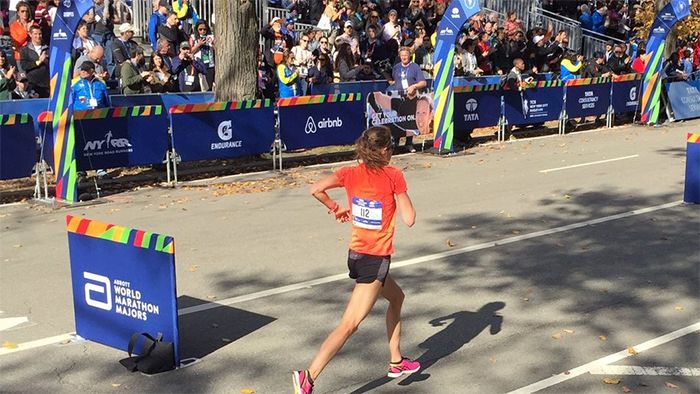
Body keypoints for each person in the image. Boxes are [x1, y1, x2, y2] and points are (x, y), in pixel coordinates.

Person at [293, 125, 419, 394]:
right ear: (384, 150)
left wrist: (336, 208)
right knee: (349, 324)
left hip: (356, 255)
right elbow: (410, 219)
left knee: (397, 298)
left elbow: (316, 189)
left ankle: (396, 360)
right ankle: (308, 376)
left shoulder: (349, 173)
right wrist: (400, 193)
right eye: (392, 149)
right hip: (374, 260)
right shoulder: (393, 175)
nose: (392, 153)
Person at [19, 25, 49, 98]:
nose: (38, 36)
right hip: (33, 85)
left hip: (47, 85)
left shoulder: (48, 49)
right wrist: (38, 62)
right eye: (35, 34)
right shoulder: (25, 50)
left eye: (40, 34)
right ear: (30, 34)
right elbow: (24, 65)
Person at [189, 20, 215, 90]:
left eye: (204, 29)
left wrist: (212, 44)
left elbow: (218, 50)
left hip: (209, 64)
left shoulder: (211, 36)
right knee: (198, 86)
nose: (202, 31)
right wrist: (198, 44)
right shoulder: (193, 37)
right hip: (198, 64)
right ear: (197, 29)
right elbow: (190, 51)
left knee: (208, 86)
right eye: (200, 29)